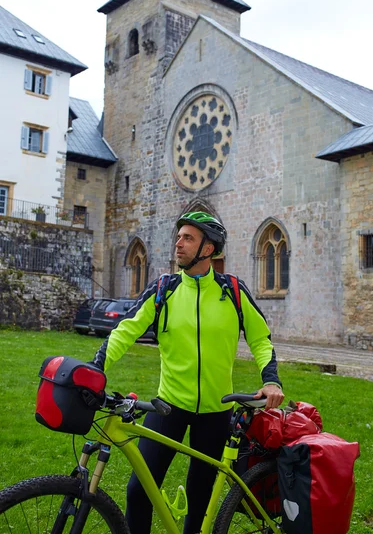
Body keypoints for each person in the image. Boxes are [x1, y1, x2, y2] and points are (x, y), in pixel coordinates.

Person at [92, 211, 284, 534]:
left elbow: (260, 338)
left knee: (200, 499)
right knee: (138, 491)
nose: (178, 244)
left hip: (216, 413)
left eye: (188, 238)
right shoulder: (164, 290)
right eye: (178, 237)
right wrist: (95, 368)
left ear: (208, 248)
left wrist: (271, 380)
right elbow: (125, 331)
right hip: (168, 407)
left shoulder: (233, 292)